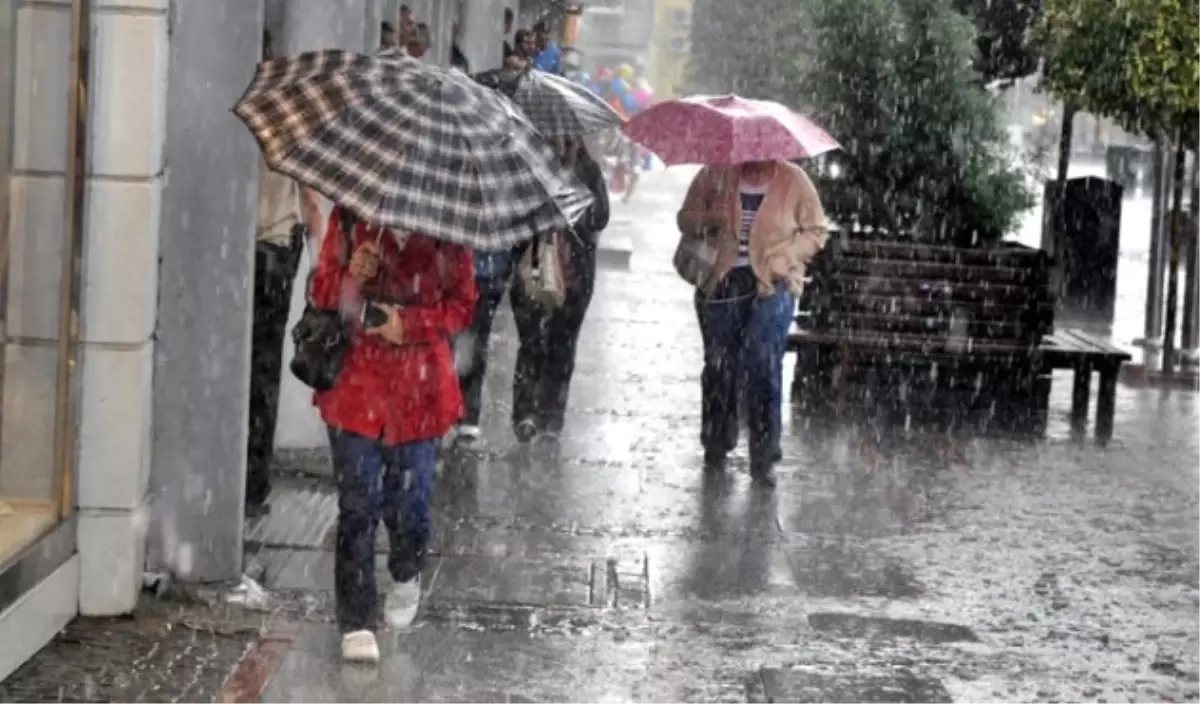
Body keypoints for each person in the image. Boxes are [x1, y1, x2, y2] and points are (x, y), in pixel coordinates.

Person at [309, 206, 477, 662]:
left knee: (412, 504)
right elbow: (322, 291)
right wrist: (351, 276)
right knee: (357, 505)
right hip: (355, 386)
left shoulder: (449, 227)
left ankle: (407, 569)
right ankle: (357, 620)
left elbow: (463, 305)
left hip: (420, 393)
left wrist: (412, 325)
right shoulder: (351, 218)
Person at [676, 161, 826, 487]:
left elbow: (816, 231)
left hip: (774, 282)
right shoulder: (714, 174)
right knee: (719, 363)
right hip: (722, 279)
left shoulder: (793, 179)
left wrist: (783, 259)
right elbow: (684, 219)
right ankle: (716, 441)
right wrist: (712, 219)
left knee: (762, 361)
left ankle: (764, 454)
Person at [246, 29, 325, 518]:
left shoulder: (228, 113)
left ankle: (231, 473)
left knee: (234, 367)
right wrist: (321, 264)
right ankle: (254, 482)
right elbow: (311, 200)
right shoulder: (288, 117)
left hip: (235, 254)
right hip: (278, 251)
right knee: (263, 366)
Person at [510, 138, 610, 442]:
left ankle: (552, 415)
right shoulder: (531, 165)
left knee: (563, 345)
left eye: (570, 137)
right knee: (531, 342)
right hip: (537, 262)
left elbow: (601, 217)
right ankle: (525, 413)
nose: (564, 143)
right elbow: (514, 213)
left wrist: (573, 208)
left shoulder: (588, 170)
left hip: (575, 271)